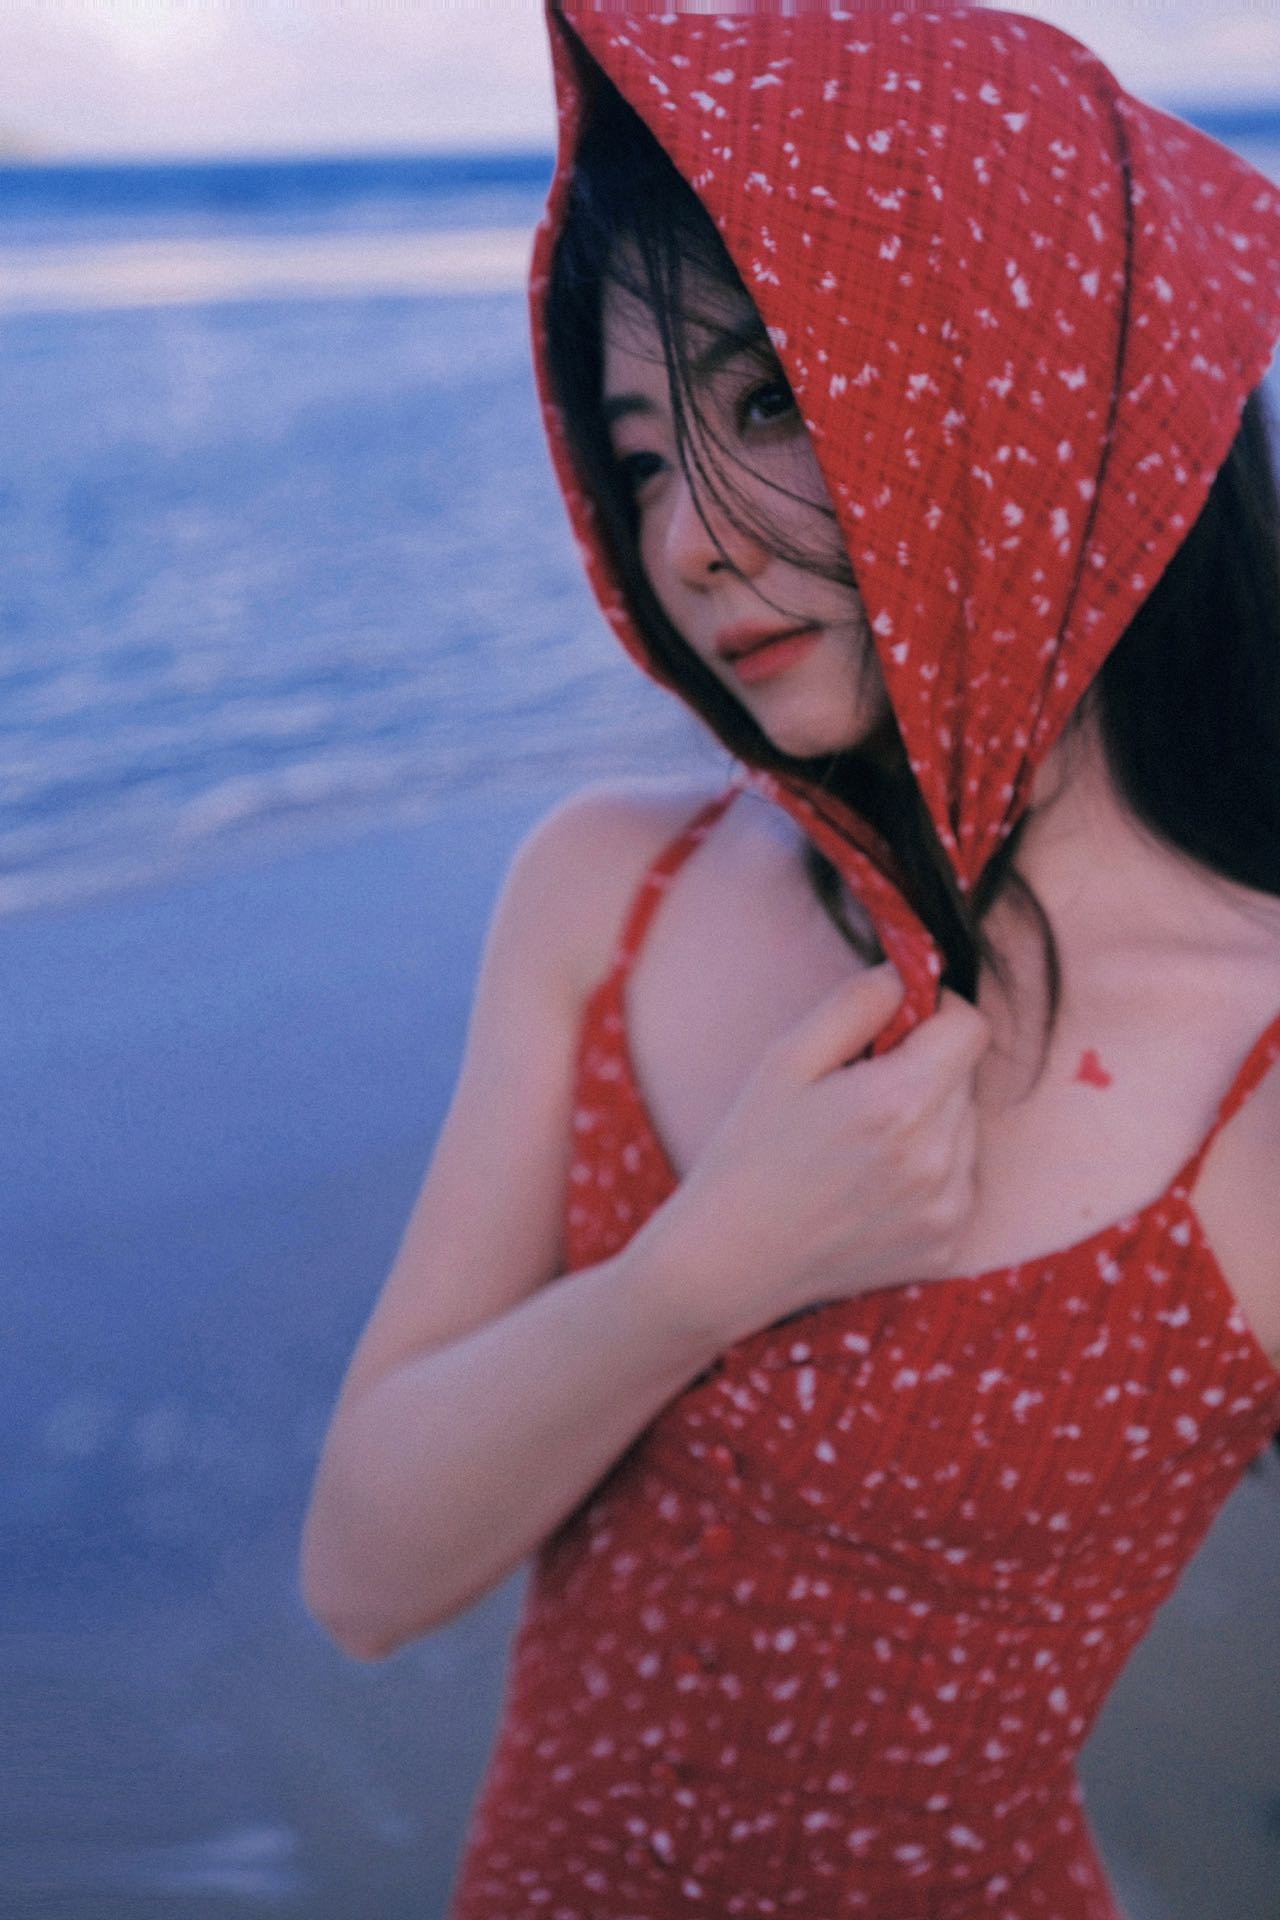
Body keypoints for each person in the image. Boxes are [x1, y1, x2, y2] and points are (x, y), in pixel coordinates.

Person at [300, 6, 1280, 1914]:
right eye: (639, 458)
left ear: (1022, 373)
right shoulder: (612, 890)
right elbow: (363, 1576)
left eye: (763, 405)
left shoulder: (1259, 1057)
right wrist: (701, 1274)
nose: (684, 541)